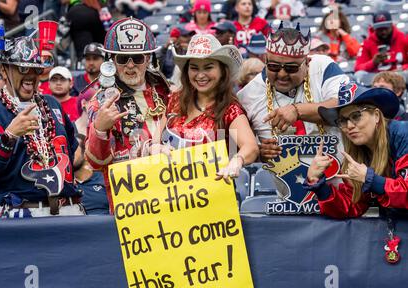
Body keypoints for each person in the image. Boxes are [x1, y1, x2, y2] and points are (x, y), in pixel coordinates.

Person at [0, 35, 84, 218]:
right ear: (4, 70)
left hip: (69, 210)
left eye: (35, 69)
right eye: (22, 68)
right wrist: (9, 136)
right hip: (24, 213)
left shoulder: (52, 104)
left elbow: (73, 150)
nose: (30, 75)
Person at [85, 17, 170, 213]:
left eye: (138, 58)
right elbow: (96, 163)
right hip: (131, 205)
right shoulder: (101, 102)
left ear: (148, 58)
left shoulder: (167, 92)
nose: (130, 66)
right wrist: (100, 129)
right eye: (123, 59)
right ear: (112, 60)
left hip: (173, 195)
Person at [238, 23, 349, 162]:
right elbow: (236, 152)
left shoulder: (323, 67)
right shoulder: (247, 95)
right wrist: (260, 153)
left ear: (307, 62)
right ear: (265, 60)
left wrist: (297, 110)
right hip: (280, 181)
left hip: (337, 175)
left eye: (291, 68)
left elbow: (345, 108)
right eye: (273, 66)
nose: (282, 74)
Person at [155, 33, 259, 182]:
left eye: (208, 67)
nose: (200, 75)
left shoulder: (230, 110)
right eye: (194, 68)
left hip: (211, 195)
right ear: (187, 71)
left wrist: (237, 160)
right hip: (171, 193)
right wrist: (155, 147)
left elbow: (251, 147)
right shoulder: (174, 100)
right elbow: (155, 138)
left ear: (222, 70)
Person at [304, 83, 407, 218]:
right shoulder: (359, 151)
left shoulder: (403, 134)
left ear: (376, 116)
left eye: (356, 116)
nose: (349, 126)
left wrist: (370, 179)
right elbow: (351, 206)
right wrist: (317, 184)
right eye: (343, 120)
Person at [354, 10, 408, 86]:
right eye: (380, 29)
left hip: (398, 74)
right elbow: (358, 68)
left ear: (391, 25)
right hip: (377, 76)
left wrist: (402, 68)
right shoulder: (368, 42)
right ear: (374, 28)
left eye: (386, 28)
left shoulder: (403, 38)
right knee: (359, 75)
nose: (383, 32)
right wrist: (373, 62)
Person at [74, 133, 109, 215]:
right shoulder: (63, 186)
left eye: (73, 148)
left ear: (86, 153)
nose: (68, 152)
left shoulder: (105, 179)